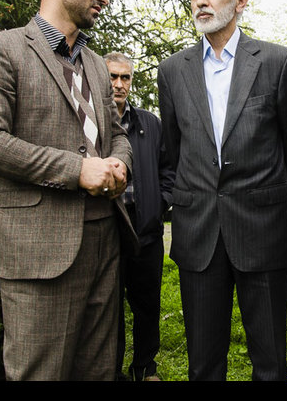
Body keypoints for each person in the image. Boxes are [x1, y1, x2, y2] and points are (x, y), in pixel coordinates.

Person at [0, 0, 136, 381]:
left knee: (99, 370)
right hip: (38, 248)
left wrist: (119, 163)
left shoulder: (96, 65)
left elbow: (117, 134)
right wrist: (77, 170)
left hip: (105, 238)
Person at [157, 0, 287, 381]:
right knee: (203, 363)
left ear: (241, 1)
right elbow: (175, 148)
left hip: (263, 228)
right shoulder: (172, 70)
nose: (200, 0)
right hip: (198, 231)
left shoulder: (277, 61)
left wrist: (269, 198)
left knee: (270, 363)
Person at [104, 52, 174, 382]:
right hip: (107, 230)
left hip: (145, 228)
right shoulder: (91, 121)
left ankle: (145, 367)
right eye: (113, 76)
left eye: (125, 77)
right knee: (109, 307)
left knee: (147, 304)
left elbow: (168, 169)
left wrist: (160, 203)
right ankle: (111, 370)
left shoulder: (150, 123)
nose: (119, 84)